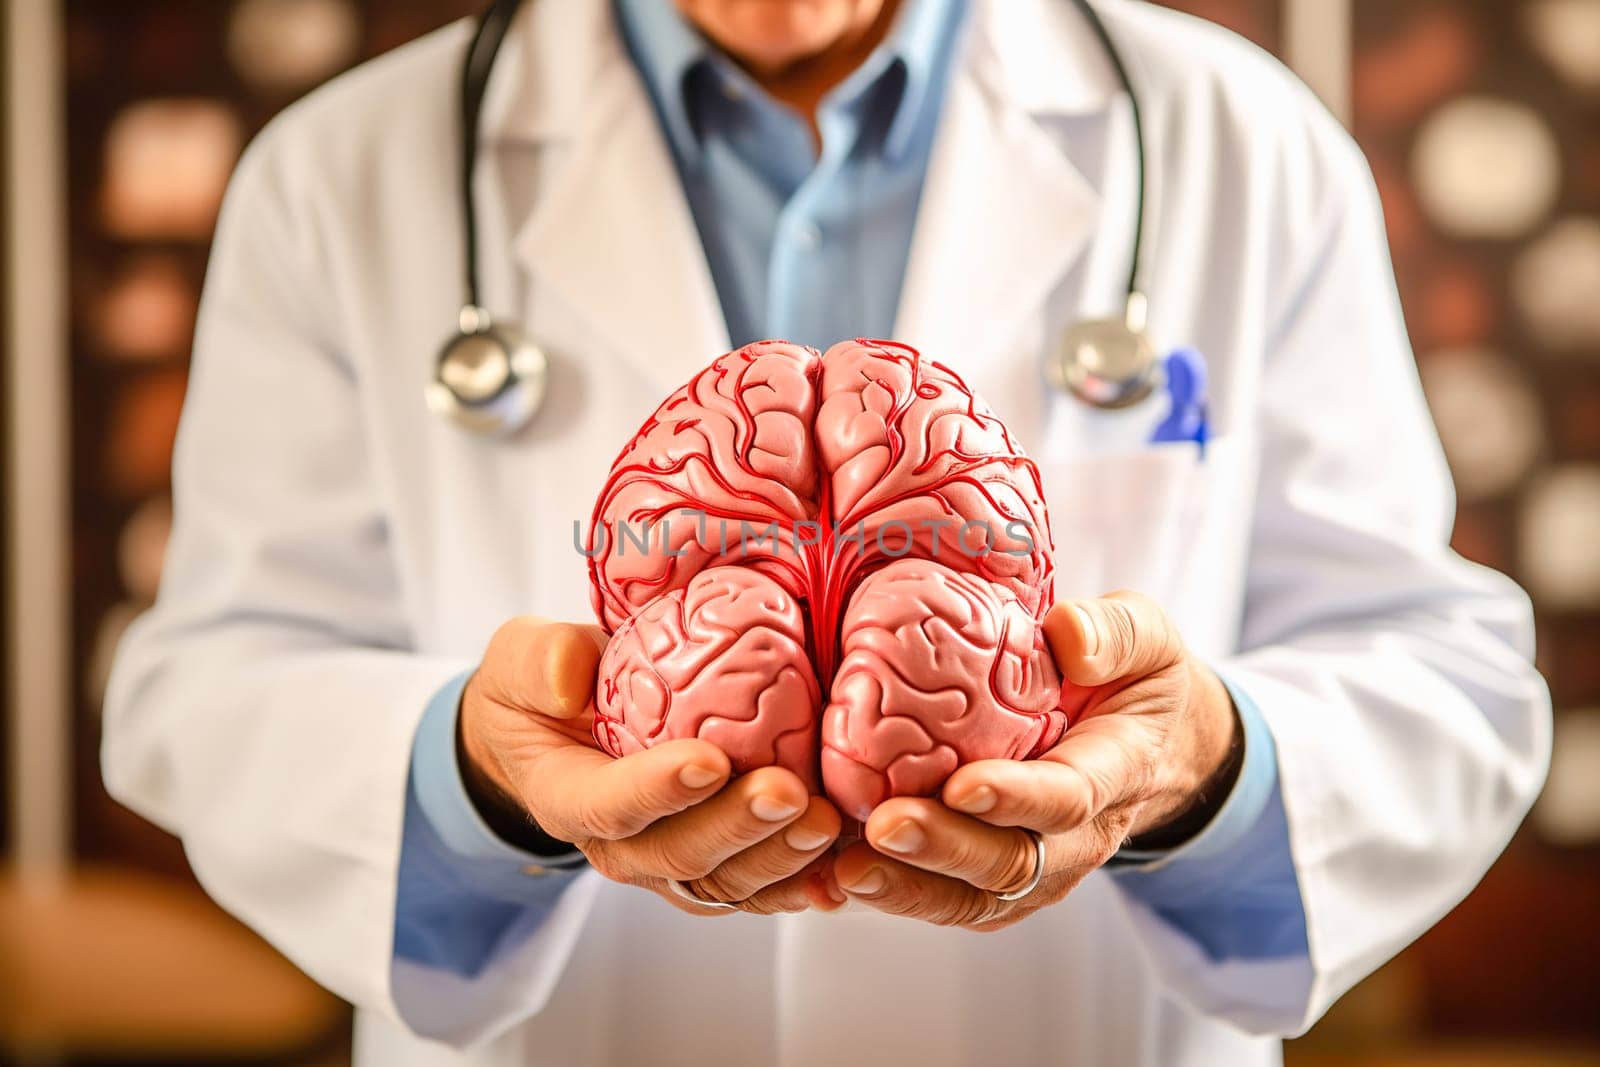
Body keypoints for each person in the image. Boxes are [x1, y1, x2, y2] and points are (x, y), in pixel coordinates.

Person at [102, 1, 1552, 1064]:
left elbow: (1436, 669)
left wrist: (1202, 767)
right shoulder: (345, 175)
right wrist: (476, 787)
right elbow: (214, 682)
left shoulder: (1237, 144)